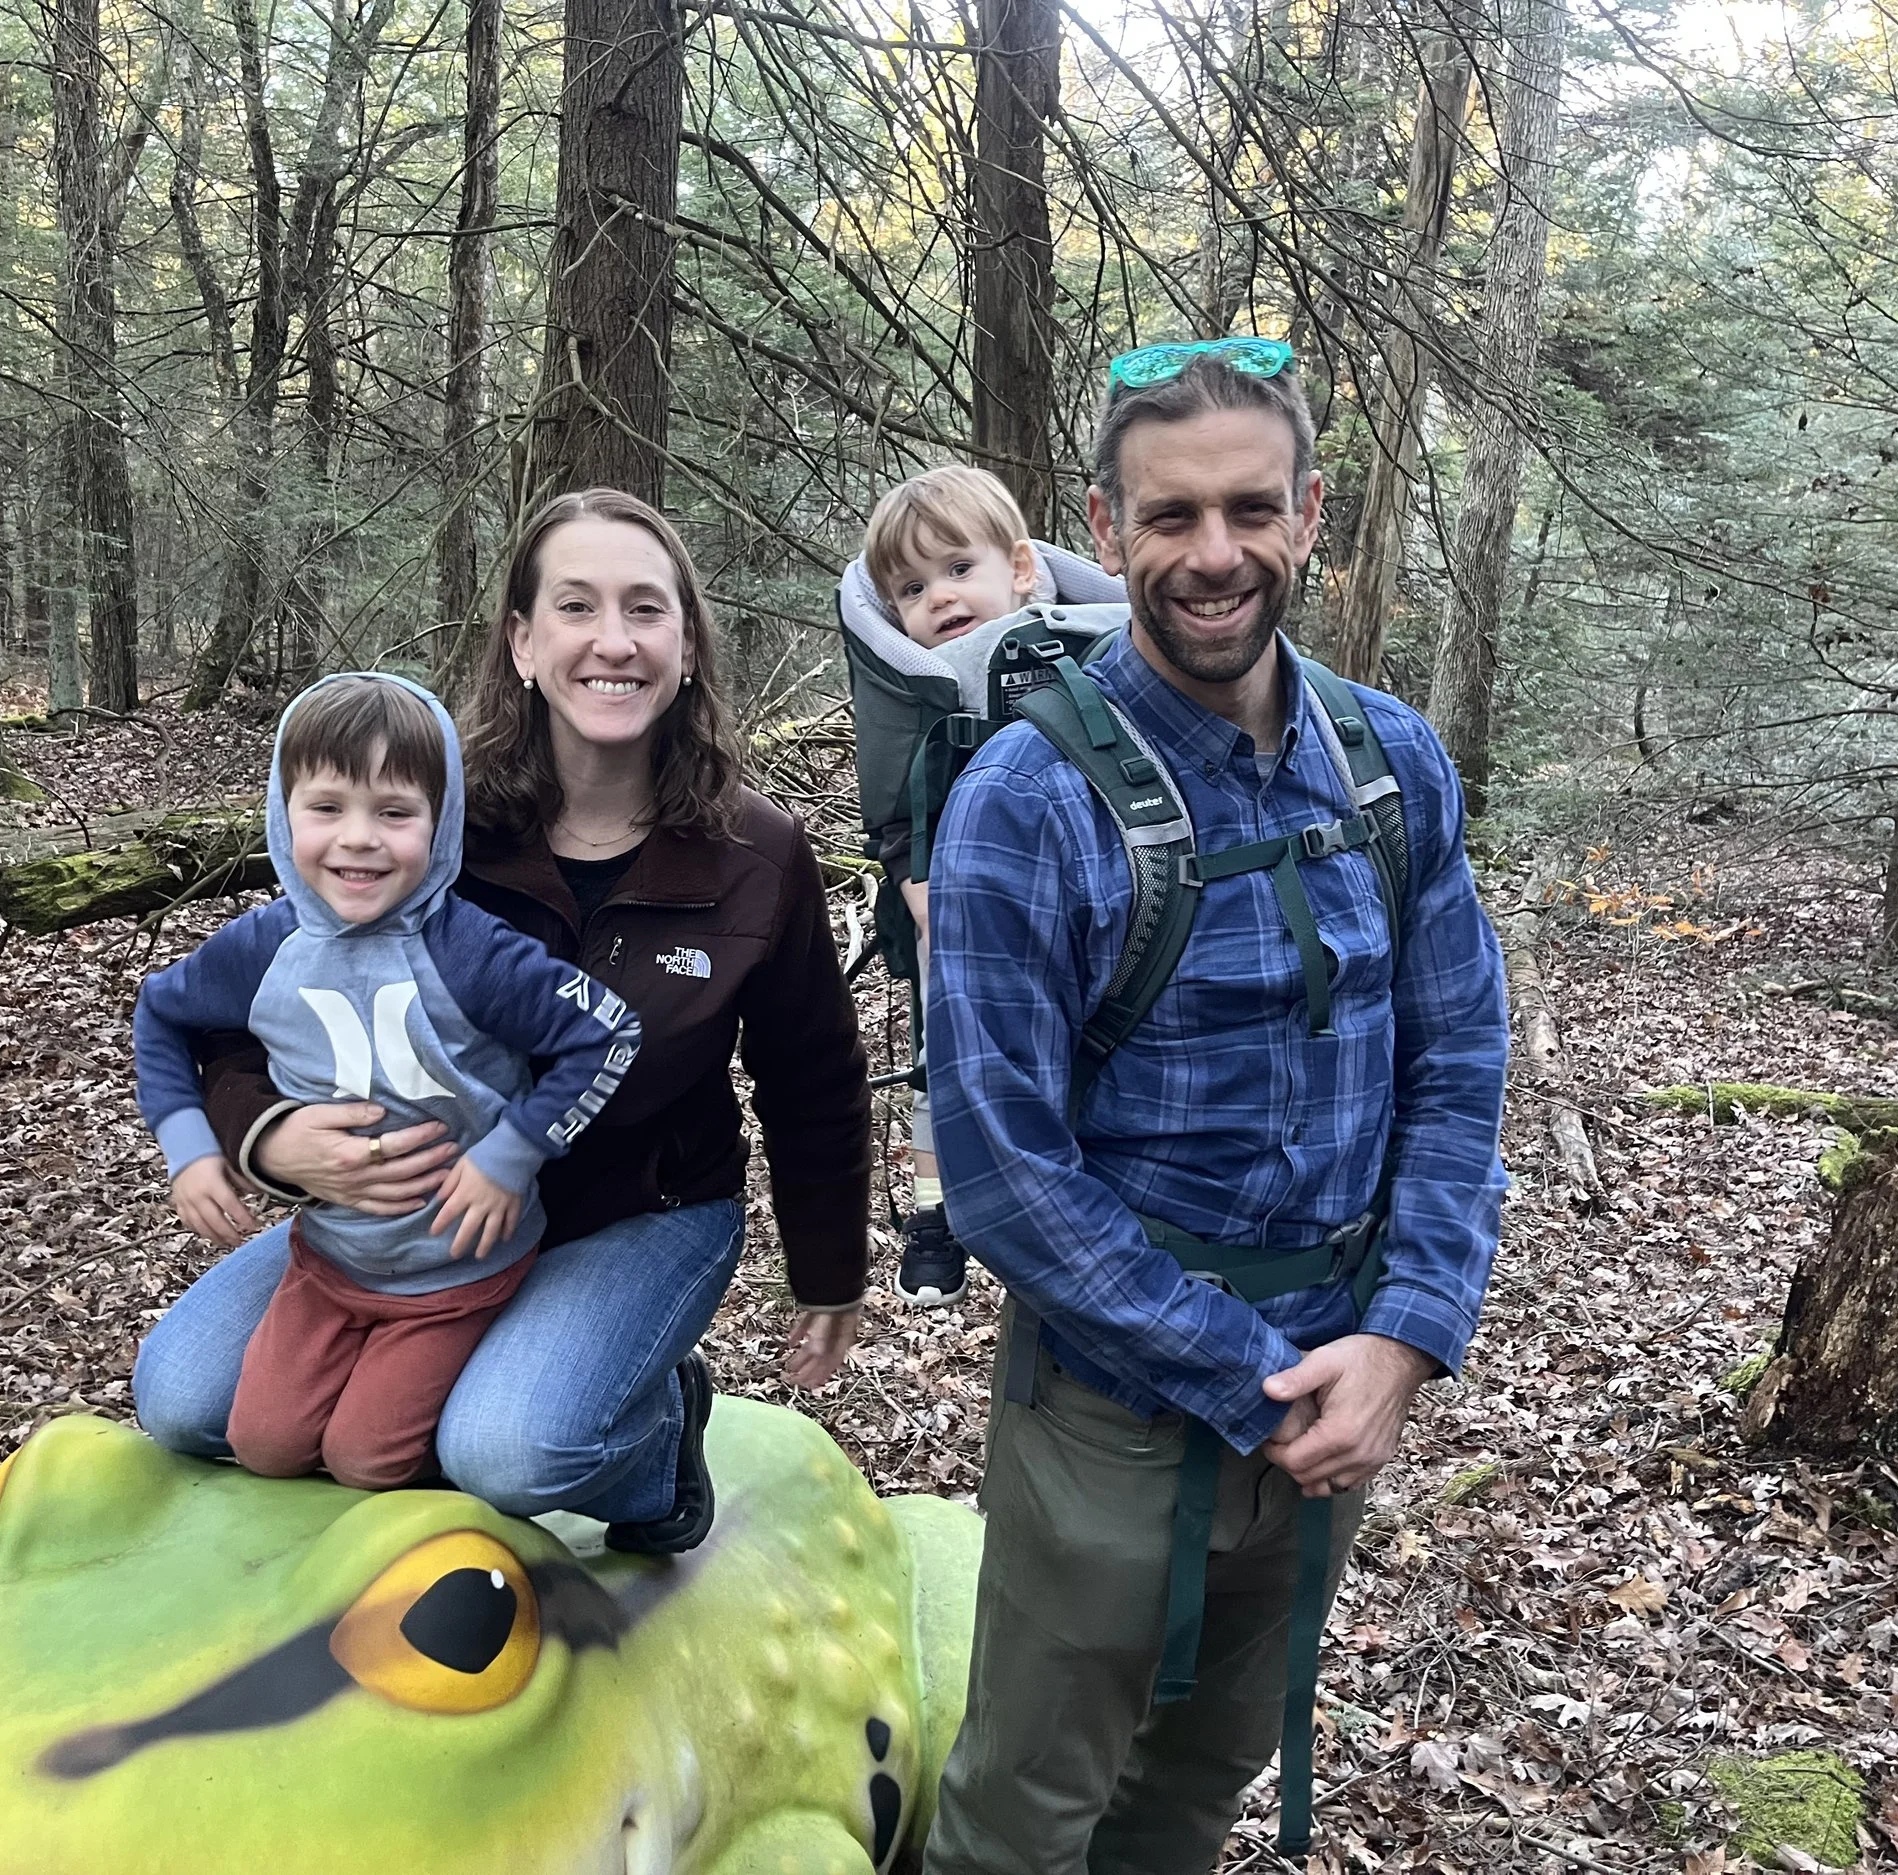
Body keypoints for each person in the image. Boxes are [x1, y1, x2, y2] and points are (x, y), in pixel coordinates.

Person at [919, 338, 1509, 1872]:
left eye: (1252, 508)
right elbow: (1001, 1170)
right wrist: (1260, 1376)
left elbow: (1456, 1065)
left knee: (1197, 1782)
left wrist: (1404, 1331)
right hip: (1116, 1403)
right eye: (1171, 517)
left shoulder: (1392, 765)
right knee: (1027, 1808)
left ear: (1310, 514)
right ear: (1105, 536)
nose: (1215, 552)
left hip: (1339, 1385)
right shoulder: (1025, 802)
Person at [134, 489, 872, 1556]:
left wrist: (827, 1271)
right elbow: (260, 1008)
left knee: (511, 1453)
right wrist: (269, 1141)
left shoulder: (753, 853)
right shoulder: (429, 826)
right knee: (187, 1404)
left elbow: (811, 1078)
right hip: (409, 1220)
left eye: (645, 610)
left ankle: (659, 1434)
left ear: (689, 644)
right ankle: (483, 1373)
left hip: (639, 1209)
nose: (611, 641)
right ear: (523, 643)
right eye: (575, 607)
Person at [131, 673, 639, 1491]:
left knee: (367, 1459)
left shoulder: (472, 950)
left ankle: (489, 1386)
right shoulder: (265, 946)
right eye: (326, 808)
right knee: (263, 1443)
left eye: (394, 812)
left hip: (458, 1266)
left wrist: (510, 1154)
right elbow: (160, 1015)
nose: (358, 839)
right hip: (329, 1257)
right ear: (281, 810)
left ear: (440, 825)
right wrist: (190, 1148)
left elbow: (609, 1033)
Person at [842, 464, 1125, 1307]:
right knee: (945, 1056)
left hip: (1077, 897)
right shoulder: (912, 688)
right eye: (913, 587)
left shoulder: (1079, 640)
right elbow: (891, 809)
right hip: (954, 906)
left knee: (1079, 1042)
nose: (941, 597)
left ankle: (1072, 1180)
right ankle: (935, 1214)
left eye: (960, 569)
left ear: (1021, 569)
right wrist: (916, 886)